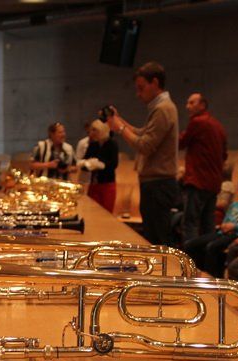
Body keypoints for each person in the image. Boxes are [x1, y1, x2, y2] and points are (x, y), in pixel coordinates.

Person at [107, 61, 179, 245]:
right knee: (154, 237)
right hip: (155, 183)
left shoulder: (163, 109)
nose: (138, 94)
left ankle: (165, 266)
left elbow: (145, 145)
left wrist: (120, 128)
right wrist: (118, 120)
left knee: (158, 240)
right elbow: (142, 133)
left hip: (159, 184)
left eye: (141, 88)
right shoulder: (160, 108)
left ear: (155, 83)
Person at [185, 179, 238, 278]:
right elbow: (225, 221)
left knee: (212, 247)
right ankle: (196, 273)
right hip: (222, 233)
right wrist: (223, 226)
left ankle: (212, 278)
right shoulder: (235, 205)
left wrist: (235, 227)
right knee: (191, 244)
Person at [179, 93, 228, 242]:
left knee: (190, 223)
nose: (187, 106)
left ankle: (191, 255)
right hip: (213, 183)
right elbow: (224, 155)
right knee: (208, 224)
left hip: (197, 180)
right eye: (187, 103)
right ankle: (206, 255)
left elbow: (181, 143)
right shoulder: (219, 126)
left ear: (202, 105)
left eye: (192, 103)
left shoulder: (197, 122)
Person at [79, 119, 119, 212]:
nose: (91, 133)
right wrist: (86, 164)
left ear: (102, 130)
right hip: (94, 184)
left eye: (94, 130)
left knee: (106, 212)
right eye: (91, 130)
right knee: (92, 211)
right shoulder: (93, 144)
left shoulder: (112, 144)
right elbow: (85, 161)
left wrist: (99, 164)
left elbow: (114, 164)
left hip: (107, 184)